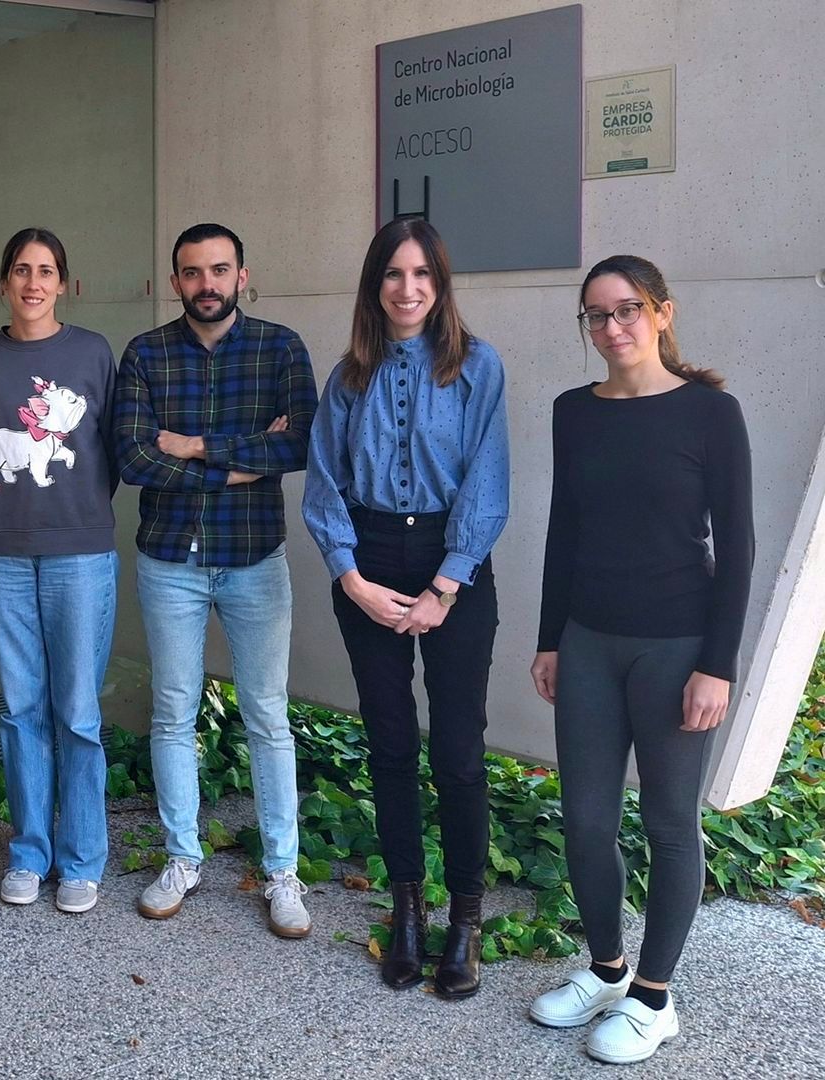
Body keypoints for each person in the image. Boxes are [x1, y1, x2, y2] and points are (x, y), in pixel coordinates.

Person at [525, 256, 753, 1063]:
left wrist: (718, 665)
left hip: (677, 647)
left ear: (662, 313)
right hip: (589, 641)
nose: (612, 328)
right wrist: (551, 638)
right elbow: (565, 528)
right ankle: (608, 971)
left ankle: (655, 999)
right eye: (595, 315)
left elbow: (739, 544)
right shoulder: (573, 411)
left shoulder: (710, 414)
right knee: (586, 821)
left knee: (666, 822)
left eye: (627, 310)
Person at [302, 216, 509, 997]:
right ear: (375, 284)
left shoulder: (477, 367)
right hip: (369, 561)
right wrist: (352, 577)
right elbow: (325, 483)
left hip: (454, 564)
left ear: (441, 283)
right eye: (393, 273)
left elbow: (488, 482)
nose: (408, 288)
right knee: (390, 746)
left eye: (422, 274)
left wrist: (445, 586)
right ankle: (408, 913)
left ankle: (465, 921)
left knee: (457, 751)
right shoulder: (348, 374)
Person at [114, 223, 317, 938]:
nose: (207, 284)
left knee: (267, 715)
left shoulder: (279, 346)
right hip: (170, 558)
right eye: (193, 272)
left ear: (241, 274)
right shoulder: (145, 354)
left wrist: (197, 446)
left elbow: (299, 442)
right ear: (176, 281)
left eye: (219, 270)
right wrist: (244, 460)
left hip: (255, 557)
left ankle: (282, 876)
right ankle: (181, 858)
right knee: (172, 713)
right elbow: (136, 458)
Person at [0, 227, 118, 914]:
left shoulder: (91, 353)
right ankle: (29, 852)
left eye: (46, 270)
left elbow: (110, 448)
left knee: (77, 712)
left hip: (80, 553)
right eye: (21, 270)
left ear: (64, 283)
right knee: (21, 709)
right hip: (5, 556)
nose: (33, 282)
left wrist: (74, 514)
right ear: (4, 282)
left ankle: (82, 859)